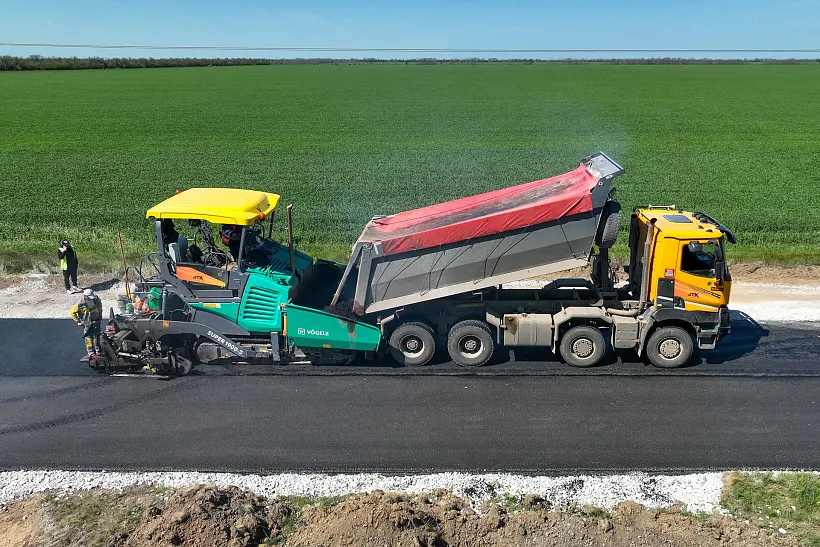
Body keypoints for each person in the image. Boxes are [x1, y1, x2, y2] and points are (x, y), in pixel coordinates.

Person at [71, 288, 103, 359]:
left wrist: (100, 314)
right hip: (88, 323)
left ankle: (99, 351)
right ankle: (91, 353)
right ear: (85, 296)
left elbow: (99, 305)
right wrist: (78, 322)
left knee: (97, 336)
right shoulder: (80, 303)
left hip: (97, 321)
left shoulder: (96, 298)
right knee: (89, 338)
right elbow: (72, 313)